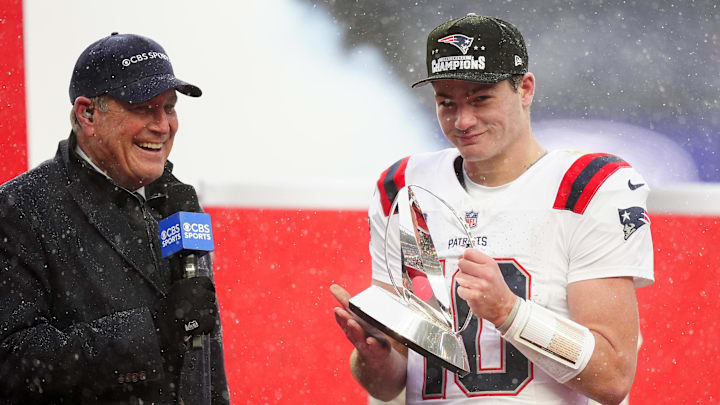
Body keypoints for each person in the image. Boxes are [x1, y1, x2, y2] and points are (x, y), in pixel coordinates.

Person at [331, 13, 653, 405]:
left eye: (481, 99)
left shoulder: (586, 188)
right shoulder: (406, 188)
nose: (463, 120)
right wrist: (374, 356)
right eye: (446, 102)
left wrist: (509, 312)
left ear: (525, 89)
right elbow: (389, 386)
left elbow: (612, 376)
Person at [0, 33, 229, 404]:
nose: (162, 125)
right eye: (144, 108)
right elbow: (12, 362)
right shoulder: (19, 209)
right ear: (87, 114)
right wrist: (151, 332)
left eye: (169, 107)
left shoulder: (179, 204)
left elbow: (204, 362)